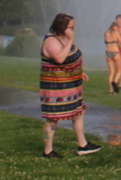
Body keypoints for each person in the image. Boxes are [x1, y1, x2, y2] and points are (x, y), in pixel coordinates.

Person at [40, 13, 101, 158]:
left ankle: (82, 144)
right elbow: (60, 59)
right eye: (70, 27)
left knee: (78, 112)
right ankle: (48, 151)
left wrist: (78, 71)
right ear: (62, 27)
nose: (73, 30)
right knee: (52, 118)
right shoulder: (51, 41)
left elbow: (69, 58)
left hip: (71, 84)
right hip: (56, 87)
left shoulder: (64, 39)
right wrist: (70, 40)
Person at [103, 21, 121, 94]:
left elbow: (105, 41)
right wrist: (120, 34)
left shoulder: (105, 33)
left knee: (111, 72)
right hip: (115, 52)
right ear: (115, 28)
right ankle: (114, 82)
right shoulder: (116, 34)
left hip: (108, 52)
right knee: (119, 70)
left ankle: (110, 90)